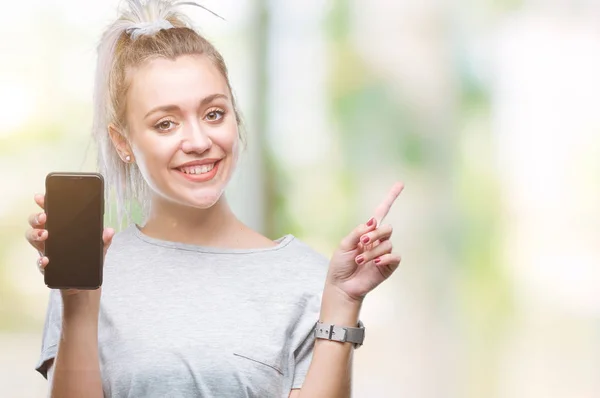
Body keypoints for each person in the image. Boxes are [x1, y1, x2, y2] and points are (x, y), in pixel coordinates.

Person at [24, 1, 403, 397]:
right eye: (166, 123)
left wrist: (343, 300)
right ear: (123, 142)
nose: (200, 142)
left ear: (235, 117)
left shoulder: (304, 278)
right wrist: (78, 302)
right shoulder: (86, 273)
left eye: (214, 114)